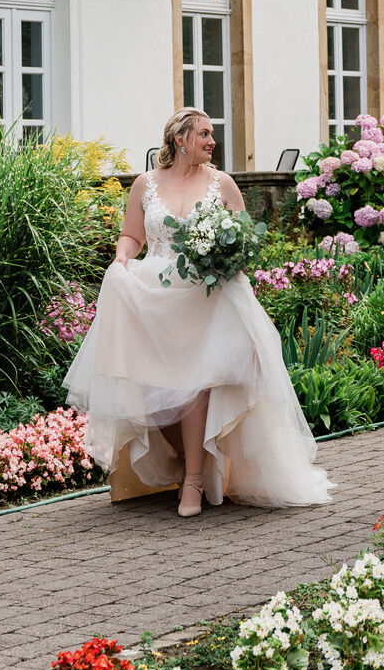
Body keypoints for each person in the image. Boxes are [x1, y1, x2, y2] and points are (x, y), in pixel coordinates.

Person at [64, 108, 333, 516]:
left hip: (207, 299)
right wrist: (120, 261)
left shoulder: (222, 184)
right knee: (152, 384)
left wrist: (224, 257)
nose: (212, 141)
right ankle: (181, 464)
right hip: (155, 295)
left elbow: (246, 243)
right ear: (180, 139)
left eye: (212, 134)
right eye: (204, 134)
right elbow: (132, 236)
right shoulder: (145, 184)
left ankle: (193, 482)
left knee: (195, 387)